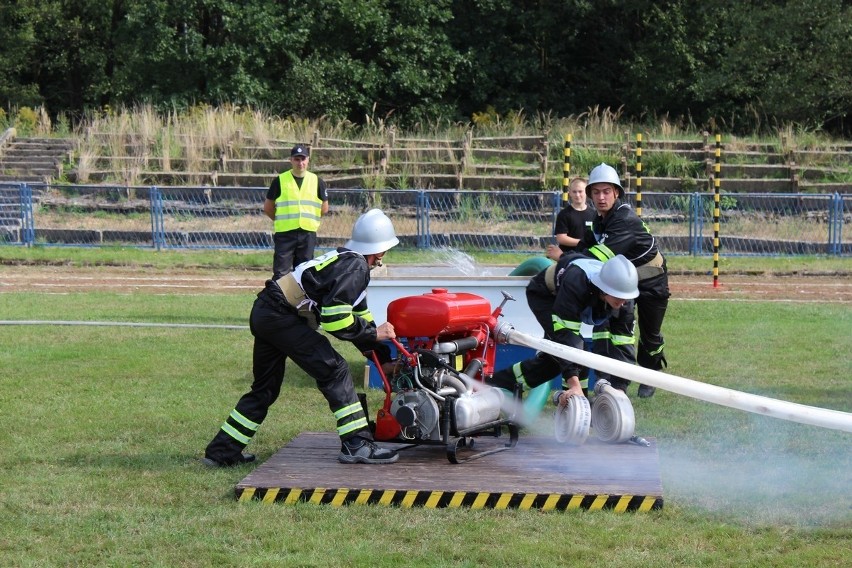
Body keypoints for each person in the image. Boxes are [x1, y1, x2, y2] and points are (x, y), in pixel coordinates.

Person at [202, 209, 401, 467]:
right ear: (381, 250)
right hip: (282, 318)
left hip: (266, 311)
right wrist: (377, 333)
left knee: (265, 388)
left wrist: (380, 358)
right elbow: (336, 320)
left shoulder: (348, 261)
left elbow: (359, 316)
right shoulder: (356, 268)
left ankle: (222, 451)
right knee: (335, 370)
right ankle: (356, 444)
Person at [486, 254, 639, 408]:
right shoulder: (577, 282)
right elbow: (566, 338)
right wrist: (574, 384)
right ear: (604, 288)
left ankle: (578, 403)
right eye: (619, 297)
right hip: (546, 296)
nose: (623, 302)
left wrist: (620, 389)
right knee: (563, 357)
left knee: (573, 356)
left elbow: (623, 345)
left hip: (576, 296)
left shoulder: (625, 299)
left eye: (626, 298)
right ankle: (495, 384)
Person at [577, 163, 671, 398]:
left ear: (616, 193)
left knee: (651, 337)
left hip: (651, 281)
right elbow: (582, 248)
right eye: (596, 192)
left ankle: (650, 373)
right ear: (590, 195)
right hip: (622, 283)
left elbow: (598, 255)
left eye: (606, 191)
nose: (601, 197)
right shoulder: (599, 223)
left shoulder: (624, 219)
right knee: (616, 327)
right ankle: (613, 382)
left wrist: (569, 265)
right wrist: (564, 261)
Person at [263, 144, 329, 279]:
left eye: (303, 159)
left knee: (305, 273)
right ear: (291, 160)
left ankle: (303, 300)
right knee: (281, 273)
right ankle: (280, 300)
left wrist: (309, 219)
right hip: (285, 234)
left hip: (307, 234)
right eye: (297, 159)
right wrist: (282, 220)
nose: (300, 163)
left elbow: (324, 208)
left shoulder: (317, 181)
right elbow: (268, 207)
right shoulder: (280, 180)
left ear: (308, 160)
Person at [546, 177, 595, 261]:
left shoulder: (594, 214)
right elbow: (561, 238)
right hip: (567, 258)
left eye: (580, 191)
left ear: (586, 192)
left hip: (588, 258)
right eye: (574, 192)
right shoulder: (564, 214)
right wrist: (582, 243)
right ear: (570, 193)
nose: (577, 195)